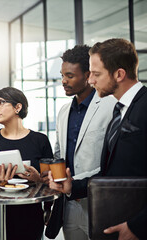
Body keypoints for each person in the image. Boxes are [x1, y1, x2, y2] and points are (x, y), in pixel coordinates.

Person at [49, 38, 147, 240]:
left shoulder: (138, 107)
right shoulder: (121, 112)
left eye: (96, 74)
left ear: (119, 74)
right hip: (115, 215)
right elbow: (110, 172)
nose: (91, 80)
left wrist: (138, 226)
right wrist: (71, 186)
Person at [53, 45, 116, 240]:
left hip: (100, 203)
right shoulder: (63, 111)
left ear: (88, 75)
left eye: (70, 76)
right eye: (62, 75)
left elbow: (112, 160)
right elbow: (59, 154)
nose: (63, 81)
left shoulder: (111, 105)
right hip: (69, 205)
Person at [0, 87, 53, 240]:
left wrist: (37, 179)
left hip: (28, 217)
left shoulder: (40, 140)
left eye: (1, 102)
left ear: (18, 107)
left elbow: (51, 182)